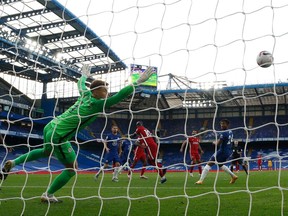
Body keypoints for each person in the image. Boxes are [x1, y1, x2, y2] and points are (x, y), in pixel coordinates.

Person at [0, 65, 154, 203]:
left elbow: (80, 85)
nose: (107, 92)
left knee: (47, 151)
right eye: (104, 90)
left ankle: (13, 163)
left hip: (51, 126)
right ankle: (48, 194)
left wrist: (84, 76)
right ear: (96, 91)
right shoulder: (97, 103)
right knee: (72, 168)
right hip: (59, 133)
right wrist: (137, 82)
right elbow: (119, 96)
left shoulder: (85, 95)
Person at [195, 119, 238, 185]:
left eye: (223, 123)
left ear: (227, 124)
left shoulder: (223, 133)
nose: (222, 125)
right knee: (220, 164)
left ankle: (200, 180)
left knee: (209, 163)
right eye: (221, 123)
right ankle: (233, 176)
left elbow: (217, 143)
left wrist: (214, 142)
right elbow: (224, 140)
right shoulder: (230, 131)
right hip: (228, 151)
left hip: (222, 151)